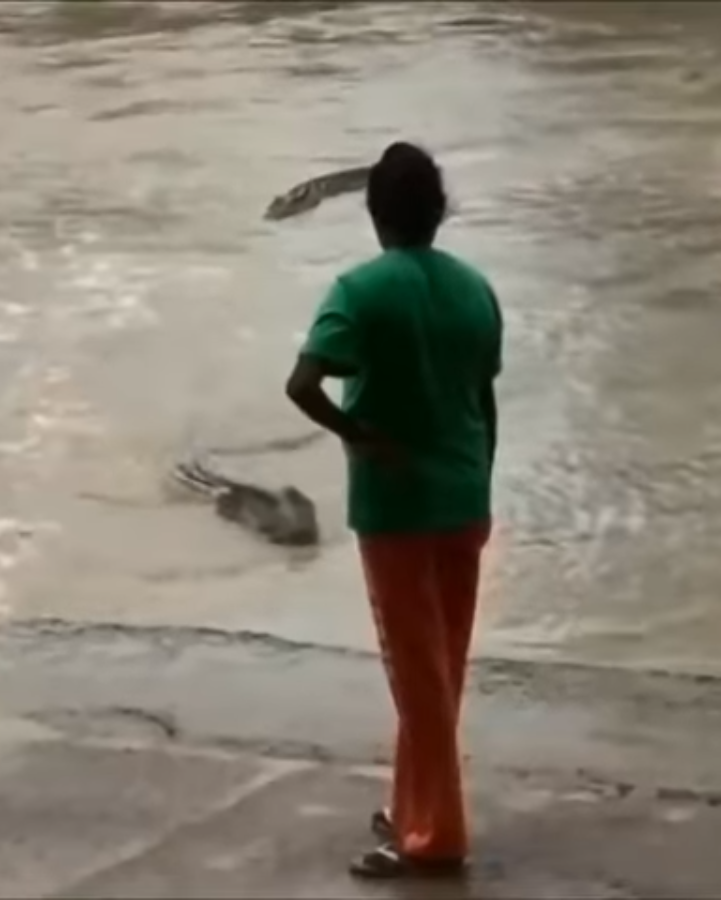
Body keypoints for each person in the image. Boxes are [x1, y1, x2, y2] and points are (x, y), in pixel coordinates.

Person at [284, 141, 503, 880]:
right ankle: (415, 808)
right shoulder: (476, 289)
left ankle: (435, 836)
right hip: (465, 500)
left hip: (397, 511)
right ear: (438, 212)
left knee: (416, 673)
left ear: (376, 214)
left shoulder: (360, 290)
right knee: (440, 669)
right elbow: (484, 399)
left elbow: (303, 383)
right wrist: (484, 480)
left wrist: (360, 436)